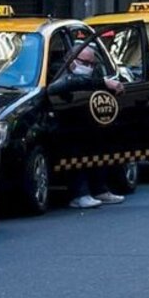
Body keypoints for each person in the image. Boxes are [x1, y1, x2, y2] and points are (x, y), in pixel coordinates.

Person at [47, 43, 126, 209]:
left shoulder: (93, 74)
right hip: (61, 125)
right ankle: (79, 194)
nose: (88, 67)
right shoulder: (58, 70)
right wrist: (103, 82)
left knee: (98, 146)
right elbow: (62, 85)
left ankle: (99, 190)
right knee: (75, 151)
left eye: (92, 64)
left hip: (85, 123)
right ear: (70, 60)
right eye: (85, 63)